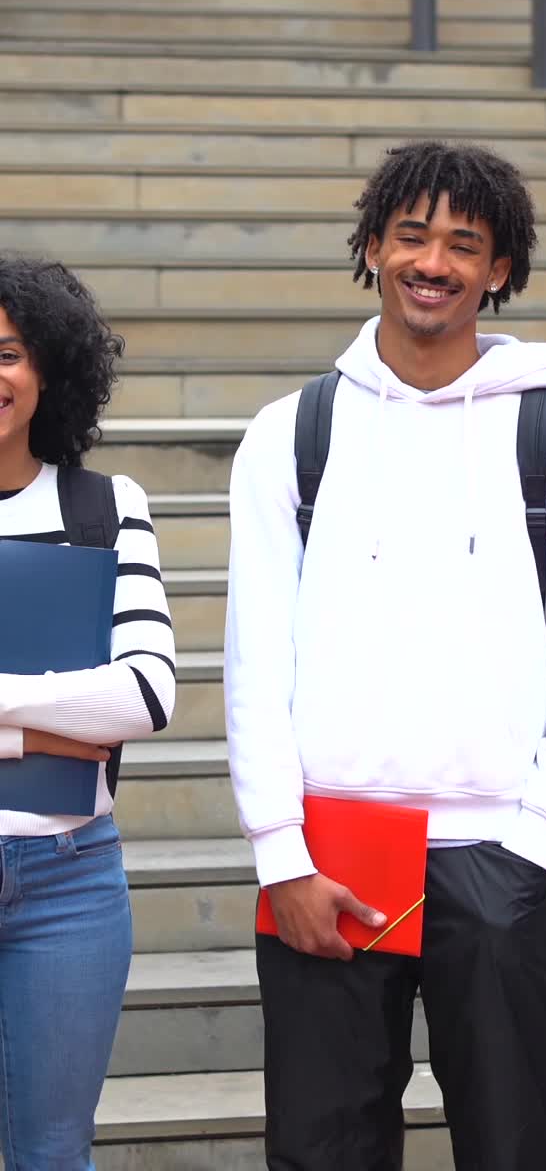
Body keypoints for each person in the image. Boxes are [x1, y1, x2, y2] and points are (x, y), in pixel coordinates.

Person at [224, 139, 546, 1171]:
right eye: (412, 236)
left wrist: (537, 840)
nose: (433, 262)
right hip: (331, 851)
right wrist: (282, 852)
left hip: (495, 853)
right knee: (322, 1151)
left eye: (465, 244)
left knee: (513, 1145)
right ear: (372, 247)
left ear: (500, 269)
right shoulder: (291, 433)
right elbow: (254, 657)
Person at [0, 257, 176, 1170]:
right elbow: (100, 704)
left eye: (8, 353)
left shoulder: (104, 506)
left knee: (53, 1155)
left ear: (47, 369)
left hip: (68, 883)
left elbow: (145, 694)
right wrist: (52, 725)